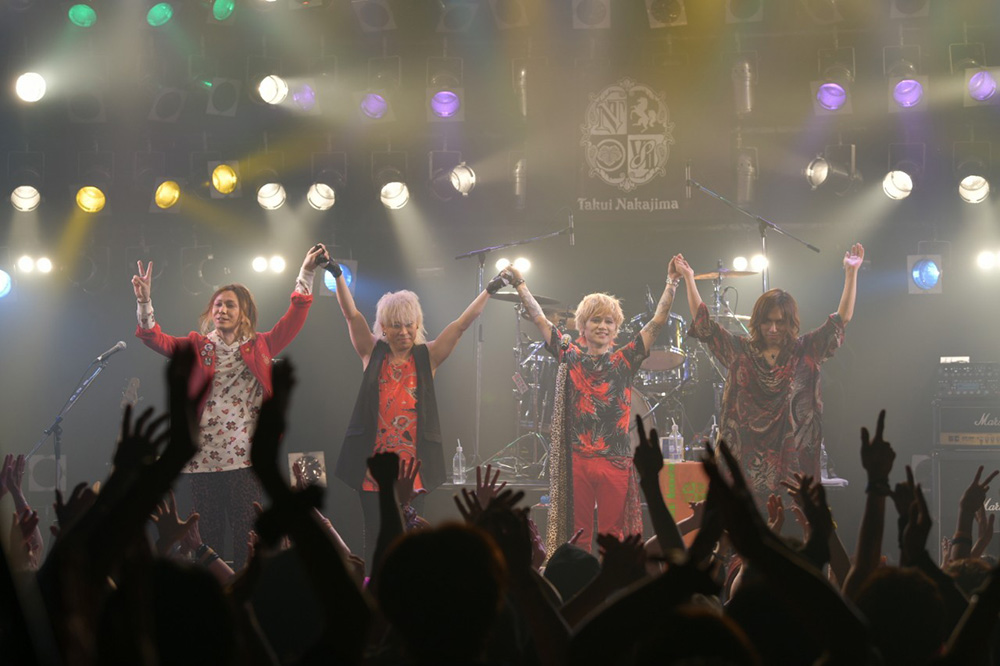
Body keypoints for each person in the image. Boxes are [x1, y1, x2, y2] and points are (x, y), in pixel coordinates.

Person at [132, 244, 327, 566]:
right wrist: (144, 301)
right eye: (217, 305)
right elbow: (154, 338)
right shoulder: (197, 345)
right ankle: (210, 594)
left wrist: (306, 272)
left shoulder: (261, 345)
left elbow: (295, 316)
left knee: (246, 536)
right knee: (206, 537)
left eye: (230, 305)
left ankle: (245, 591)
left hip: (246, 458)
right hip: (203, 458)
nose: (222, 310)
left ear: (244, 313)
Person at [502, 257, 683, 554]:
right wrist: (521, 284)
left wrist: (672, 282)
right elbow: (540, 319)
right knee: (579, 536)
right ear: (582, 327)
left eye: (608, 321)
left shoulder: (625, 360)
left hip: (615, 460)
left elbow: (658, 321)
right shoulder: (570, 356)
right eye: (595, 320)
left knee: (614, 537)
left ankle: (613, 581)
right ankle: (579, 579)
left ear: (616, 329)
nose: (602, 326)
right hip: (579, 460)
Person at [328, 258, 492, 562]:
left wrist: (490, 290)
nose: (403, 331)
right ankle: (373, 585)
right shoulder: (371, 351)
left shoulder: (427, 356)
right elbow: (351, 314)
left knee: (410, 538)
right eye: (395, 325)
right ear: (384, 328)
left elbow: (461, 325)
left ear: (417, 325)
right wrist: (337, 274)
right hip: (374, 468)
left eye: (408, 324)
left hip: (413, 470)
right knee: (376, 537)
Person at [674, 244, 863, 505]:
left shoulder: (805, 350)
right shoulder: (740, 350)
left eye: (780, 322)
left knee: (790, 523)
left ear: (790, 322)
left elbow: (841, 320)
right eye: (767, 322)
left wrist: (851, 273)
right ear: (758, 321)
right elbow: (703, 323)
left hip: (792, 464)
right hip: (744, 464)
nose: (773, 329)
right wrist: (688, 278)